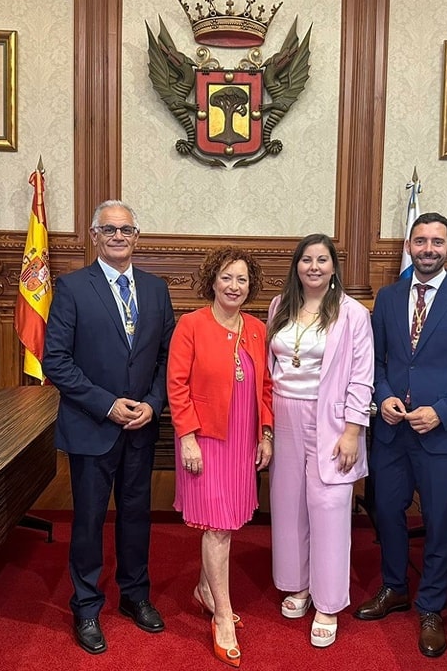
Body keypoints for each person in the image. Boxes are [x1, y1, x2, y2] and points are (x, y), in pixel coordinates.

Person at [354, 212, 447, 658]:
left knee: (438, 522)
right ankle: (395, 587)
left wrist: (441, 411)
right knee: (386, 511)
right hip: (392, 432)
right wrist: (383, 396)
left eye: (437, 242)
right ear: (409, 246)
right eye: (421, 241)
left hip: (442, 435)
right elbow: (375, 361)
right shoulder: (389, 297)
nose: (428, 249)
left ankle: (431, 606)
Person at [42, 200, 176, 655]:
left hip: (141, 427)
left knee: (137, 517)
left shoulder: (156, 290)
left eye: (126, 230)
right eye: (109, 229)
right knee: (88, 521)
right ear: (94, 236)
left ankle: (135, 596)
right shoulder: (72, 287)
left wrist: (153, 403)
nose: (119, 237)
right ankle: (85, 606)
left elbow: (167, 358)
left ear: (137, 237)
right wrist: (106, 405)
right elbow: (56, 360)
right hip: (92, 427)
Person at [167, 246, 273, 668]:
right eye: (226, 277)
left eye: (241, 279)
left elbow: (266, 387)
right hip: (205, 440)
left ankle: (205, 591)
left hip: (243, 441)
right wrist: (187, 438)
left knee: (226, 523)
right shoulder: (191, 325)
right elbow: (176, 385)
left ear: (250, 286)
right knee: (218, 527)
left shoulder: (257, 329)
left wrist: (266, 433)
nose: (234, 286)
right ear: (212, 280)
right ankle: (223, 617)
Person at [267, 233, 374, 648]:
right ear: (296, 266)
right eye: (306, 259)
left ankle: (328, 603)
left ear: (333, 267)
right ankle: (298, 585)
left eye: (322, 260)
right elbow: (271, 368)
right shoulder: (280, 305)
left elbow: (362, 377)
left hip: (331, 419)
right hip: (284, 414)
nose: (314, 267)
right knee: (289, 504)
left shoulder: (352, 314)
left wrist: (353, 431)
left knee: (329, 506)